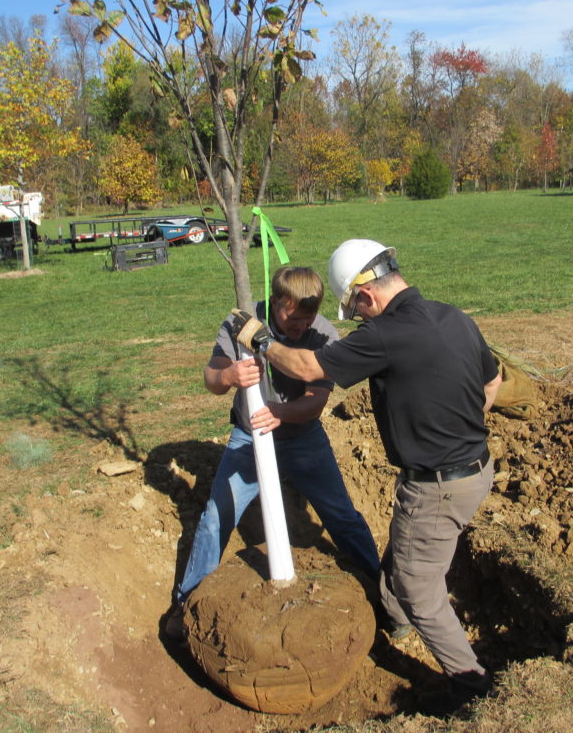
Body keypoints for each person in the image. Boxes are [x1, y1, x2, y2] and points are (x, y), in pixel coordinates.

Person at [233, 240, 502, 713]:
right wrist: (462, 421)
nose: (358, 321)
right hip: (476, 468)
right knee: (402, 554)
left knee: (420, 591)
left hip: (436, 486)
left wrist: (259, 338)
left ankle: (471, 682)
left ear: (365, 295)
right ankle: (391, 618)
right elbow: (493, 376)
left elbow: (307, 365)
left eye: (355, 311)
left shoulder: (385, 333)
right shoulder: (452, 315)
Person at [168, 265, 381, 637]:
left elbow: (315, 403)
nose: (299, 325)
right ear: (275, 300)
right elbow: (211, 376)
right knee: (216, 518)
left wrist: (279, 413)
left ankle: (382, 592)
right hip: (249, 439)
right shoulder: (244, 323)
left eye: (307, 317)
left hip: (303, 437)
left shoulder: (323, 334)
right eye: (290, 316)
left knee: (342, 515)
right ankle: (185, 605)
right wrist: (228, 377)